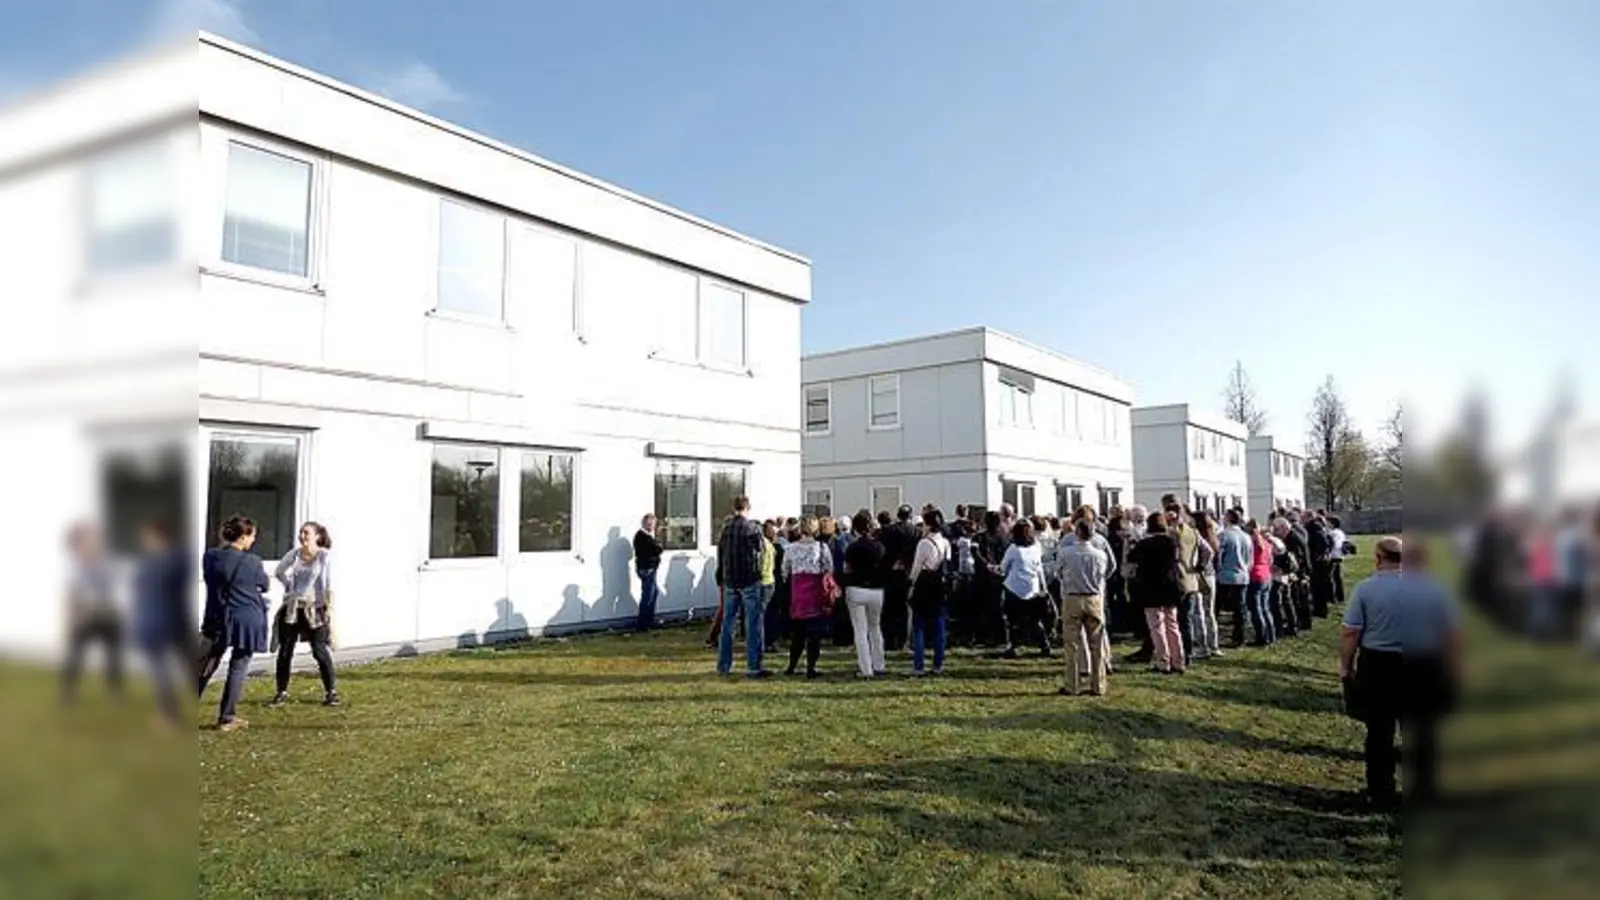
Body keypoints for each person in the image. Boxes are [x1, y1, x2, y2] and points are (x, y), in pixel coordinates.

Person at [1341, 537, 1461, 809]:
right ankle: (1425, 790)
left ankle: (1380, 790)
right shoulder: (1433, 588)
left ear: (1378, 557)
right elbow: (1451, 633)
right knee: (1422, 730)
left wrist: (1345, 666)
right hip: (1424, 664)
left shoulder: (1366, 589)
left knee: (1379, 731)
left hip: (1380, 665)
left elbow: (1351, 632)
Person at [198, 516, 271, 732]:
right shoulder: (253, 562)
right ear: (243, 536)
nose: (253, 540)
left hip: (217, 616)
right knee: (238, 667)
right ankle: (227, 717)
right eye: (252, 535)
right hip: (246, 618)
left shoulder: (210, 557)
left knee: (204, 666)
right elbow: (264, 585)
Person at [268, 521, 340, 708]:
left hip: (314, 607)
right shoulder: (295, 554)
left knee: (319, 649)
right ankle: (281, 691)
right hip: (294, 607)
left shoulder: (324, 556)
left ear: (317, 536)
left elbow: (327, 581)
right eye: (301, 533)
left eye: (306, 533)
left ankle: (331, 692)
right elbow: (279, 571)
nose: (302, 536)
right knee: (285, 651)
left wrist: (326, 605)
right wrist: (290, 587)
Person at [132, 518, 192, 729]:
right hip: (152, 624)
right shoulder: (150, 562)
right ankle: (169, 714)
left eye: (148, 536)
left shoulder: (175, 560)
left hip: (168, 623)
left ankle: (172, 715)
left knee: (178, 669)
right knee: (161, 673)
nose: (144, 540)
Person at [60, 522, 125, 706]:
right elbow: (72, 591)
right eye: (89, 540)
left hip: (107, 616)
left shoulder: (106, 561)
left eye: (95, 539)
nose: (93, 543)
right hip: (84, 617)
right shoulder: (74, 563)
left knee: (113, 657)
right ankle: (68, 693)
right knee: (74, 655)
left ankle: (116, 692)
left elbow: (113, 582)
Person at [716, 496, 770, 678]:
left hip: (730, 579)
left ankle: (724, 665)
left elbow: (721, 554)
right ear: (747, 508)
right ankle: (754, 665)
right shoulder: (752, 528)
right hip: (749, 578)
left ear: (734, 508)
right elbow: (761, 551)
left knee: (728, 623)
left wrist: (720, 575)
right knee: (753, 622)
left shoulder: (726, 529)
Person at [1058, 519, 1110, 696]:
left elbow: (1058, 572)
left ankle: (1072, 685)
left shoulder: (1065, 552)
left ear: (1077, 532)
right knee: (1097, 644)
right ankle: (1099, 685)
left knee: (1072, 645)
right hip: (1094, 598)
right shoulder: (1100, 555)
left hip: (1072, 597)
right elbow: (1104, 574)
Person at [1128, 513, 1185, 674]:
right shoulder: (1172, 542)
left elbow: (1131, 558)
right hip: (1170, 586)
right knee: (1172, 624)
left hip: (1151, 587)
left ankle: (1163, 660)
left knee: (1156, 626)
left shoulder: (1144, 544)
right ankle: (1179, 660)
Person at [781, 517, 834, 679]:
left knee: (798, 633)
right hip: (815, 590)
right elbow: (829, 568)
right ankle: (811, 667)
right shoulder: (821, 547)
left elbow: (784, 571)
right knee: (814, 634)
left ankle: (792, 665)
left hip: (797, 590)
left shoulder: (790, 548)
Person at [842, 511, 887, 678]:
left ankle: (866, 668)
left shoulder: (852, 547)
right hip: (876, 590)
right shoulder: (880, 547)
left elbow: (846, 569)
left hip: (856, 588)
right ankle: (879, 664)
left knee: (860, 630)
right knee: (875, 627)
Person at [908, 509, 952, 676]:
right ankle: (938, 663)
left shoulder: (924, 543)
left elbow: (917, 567)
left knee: (919, 625)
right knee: (939, 625)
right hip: (940, 584)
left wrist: (911, 582)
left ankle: (918, 665)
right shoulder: (946, 542)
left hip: (925, 582)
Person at [1000, 519, 1052, 658]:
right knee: (1034, 620)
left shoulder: (1014, 549)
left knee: (1013, 620)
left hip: (1014, 587)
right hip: (1032, 587)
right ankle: (1044, 644)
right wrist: (1043, 587)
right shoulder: (1036, 547)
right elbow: (1039, 567)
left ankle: (1013, 646)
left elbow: (1004, 568)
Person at [880, 506, 920, 653]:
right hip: (908, 572)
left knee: (890, 607)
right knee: (905, 608)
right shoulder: (916, 531)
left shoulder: (889, 531)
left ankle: (890, 640)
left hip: (891, 571)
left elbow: (883, 551)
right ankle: (903, 639)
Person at [974, 510, 1012, 648]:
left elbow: (975, 553)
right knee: (998, 609)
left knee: (982, 608)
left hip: (982, 576)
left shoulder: (978, 537)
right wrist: (999, 568)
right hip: (999, 576)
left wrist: (987, 565)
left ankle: (982, 638)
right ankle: (1001, 638)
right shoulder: (1005, 538)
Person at [1216, 510, 1254, 648]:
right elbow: (1251, 557)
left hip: (1226, 576)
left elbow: (1219, 556)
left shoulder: (1224, 535)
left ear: (1228, 519)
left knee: (1217, 608)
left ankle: (1215, 635)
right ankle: (1240, 637)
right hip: (1243, 575)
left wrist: (1218, 570)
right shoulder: (1246, 536)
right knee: (1240, 609)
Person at [1191, 511, 1222, 659]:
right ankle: (1214, 645)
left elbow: (1207, 553)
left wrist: (1200, 566)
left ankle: (1203, 646)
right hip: (1211, 576)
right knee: (1209, 612)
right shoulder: (1212, 536)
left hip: (1201, 575)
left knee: (1199, 612)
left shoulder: (1197, 536)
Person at [1245, 519, 1276, 646]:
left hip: (1255, 576)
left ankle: (1261, 637)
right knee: (1266, 608)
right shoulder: (1267, 544)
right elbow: (1271, 561)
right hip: (1267, 576)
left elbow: (1248, 561)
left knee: (1256, 609)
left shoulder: (1252, 544)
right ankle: (1271, 635)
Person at [633, 514, 664, 632]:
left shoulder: (645, 537)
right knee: (648, 595)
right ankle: (643, 623)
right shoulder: (643, 537)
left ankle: (649, 620)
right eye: (651, 524)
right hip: (647, 568)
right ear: (645, 523)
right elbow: (657, 549)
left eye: (654, 524)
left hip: (648, 568)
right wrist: (658, 545)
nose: (652, 527)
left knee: (653, 593)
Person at [1304, 510, 1335, 619]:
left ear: (1309, 517)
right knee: (1319, 586)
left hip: (1317, 562)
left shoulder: (1312, 528)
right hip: (1321, 561)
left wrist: (1319, 554)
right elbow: (1330, 541)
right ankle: (1321, 608)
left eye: (1304, 517)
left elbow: (1324, 543)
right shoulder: (1321, 527)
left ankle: (1320, 609)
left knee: (1318, 586)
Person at [1328, 515, 1349, 607]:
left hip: (1333, 556)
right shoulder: (1341, 532)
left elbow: (1333, 544)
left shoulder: (1333, 533)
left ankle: (1333, 597)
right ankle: (1340, 596)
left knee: (1331, 578)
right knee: (1338, 577)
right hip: (1340, 555)